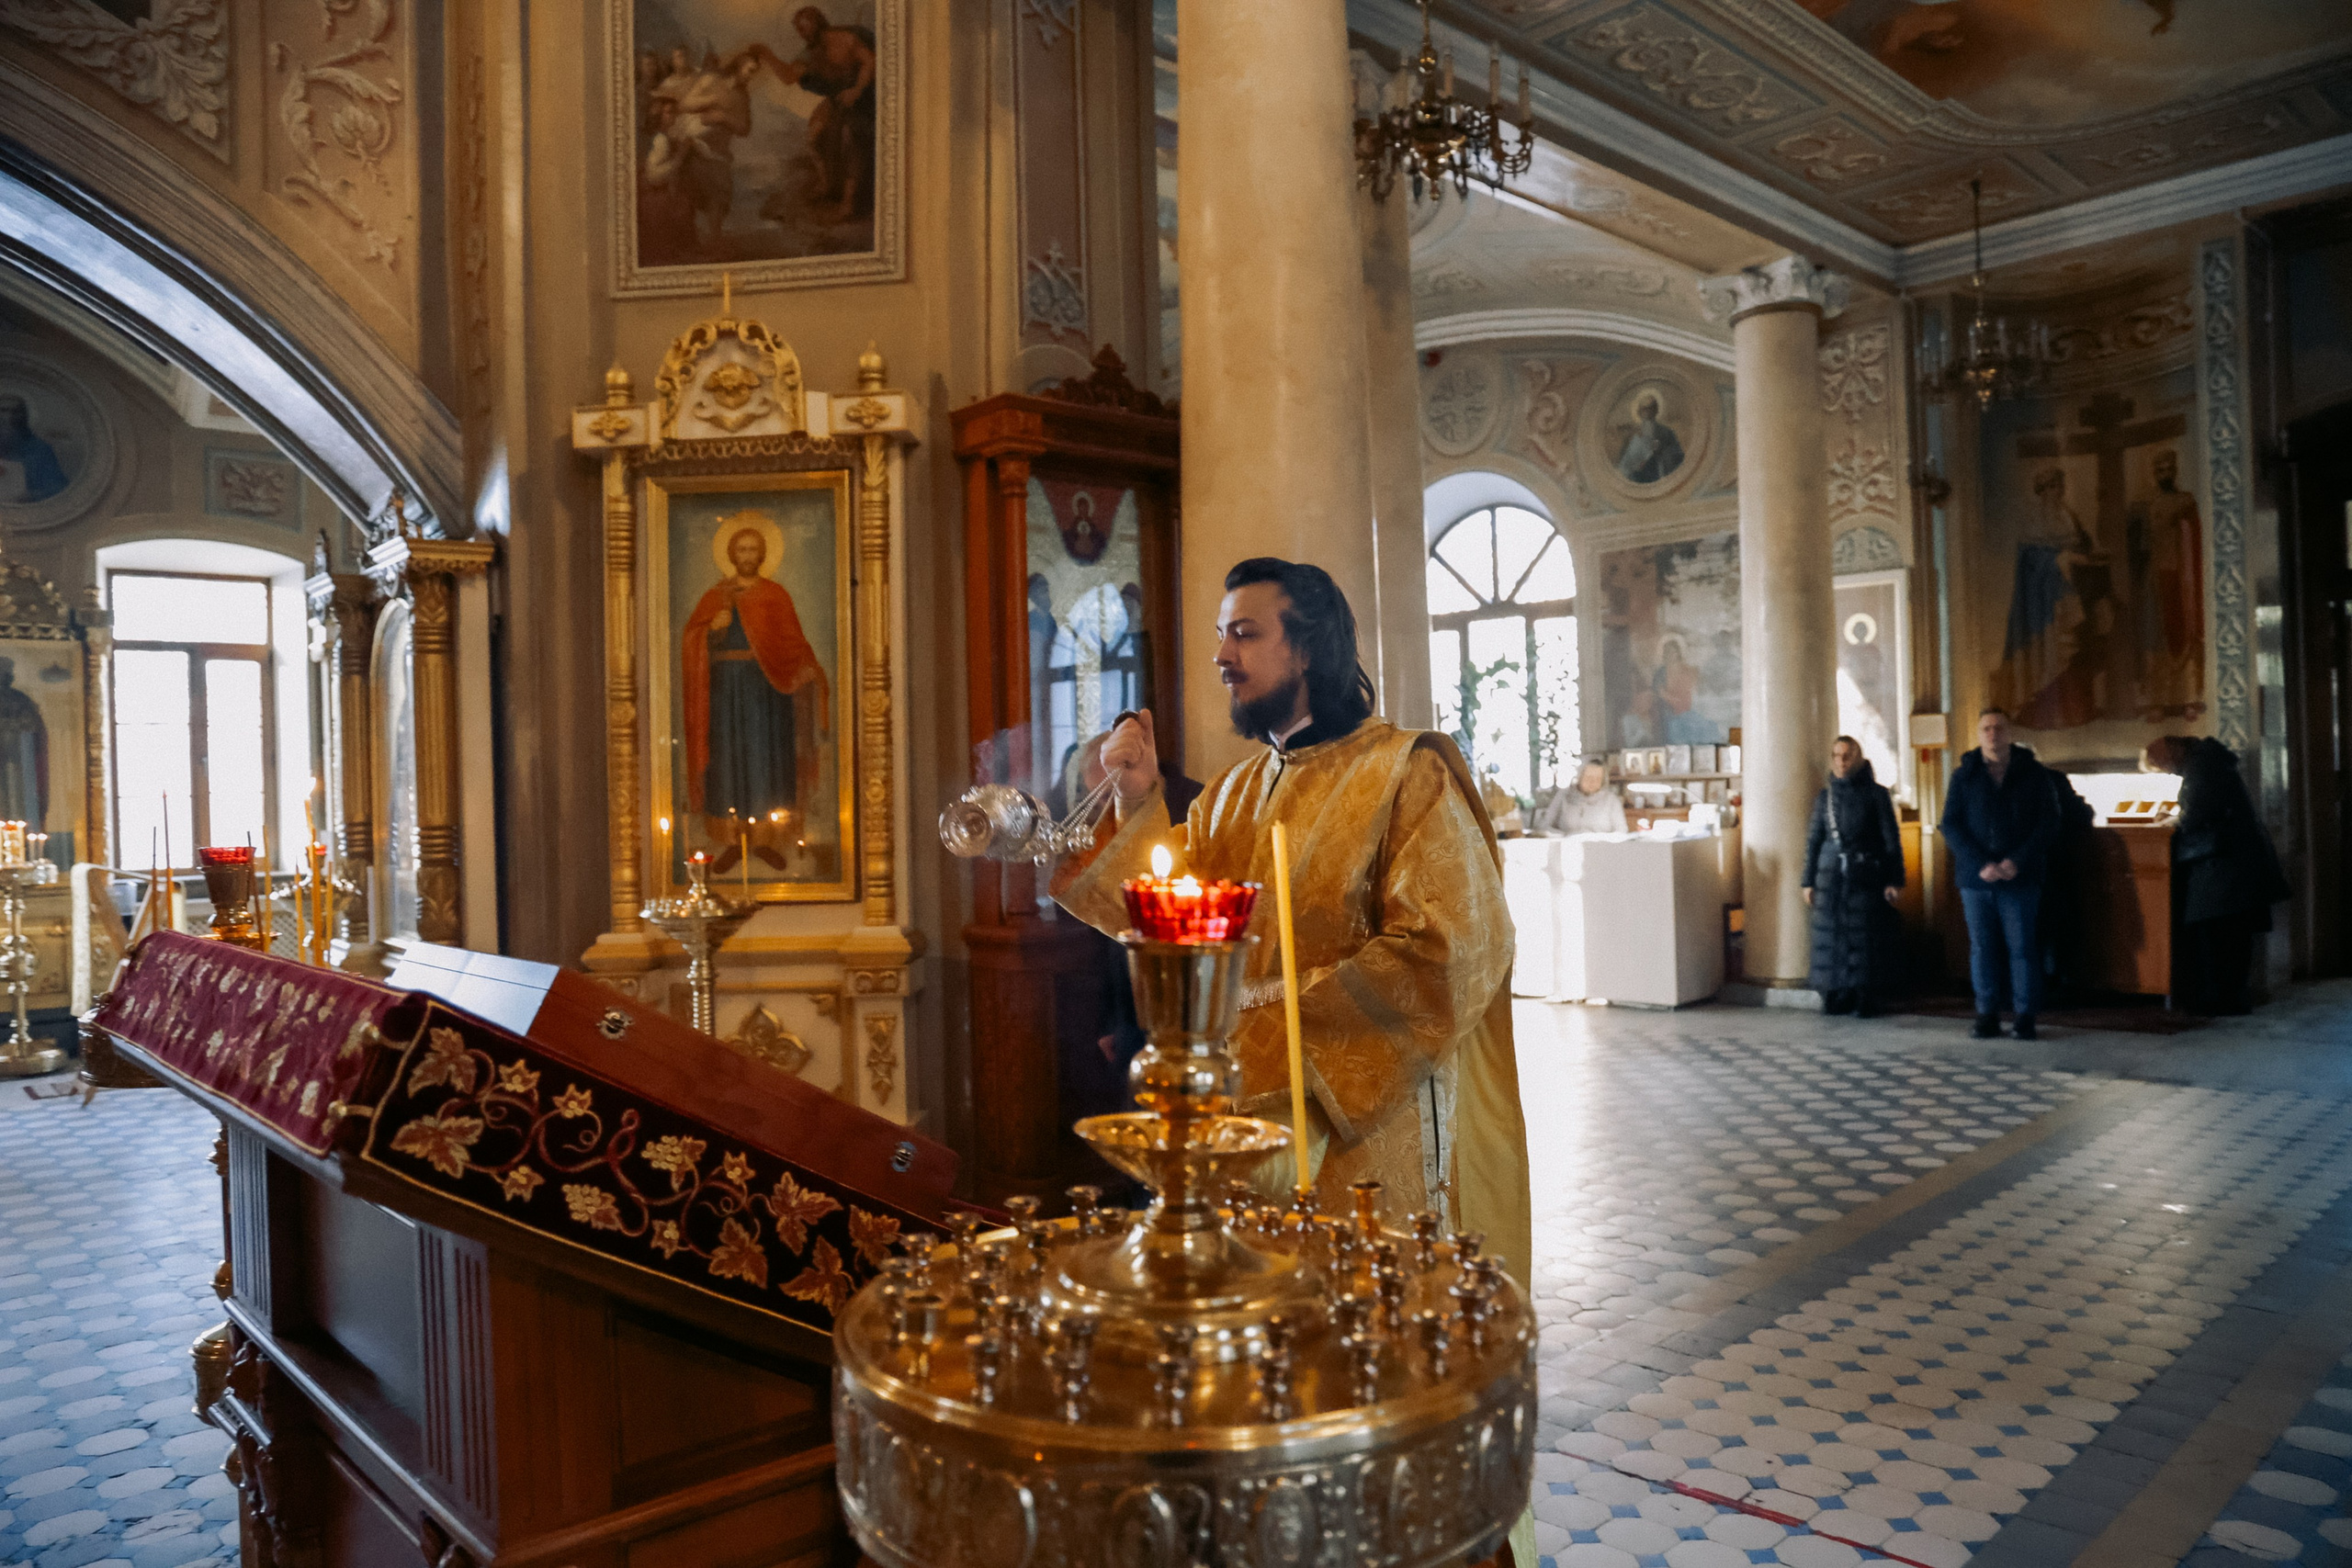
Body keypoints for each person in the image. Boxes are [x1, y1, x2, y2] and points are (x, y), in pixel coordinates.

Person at [1053, 558, 1534, 1565]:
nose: (1221, 659)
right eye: (1223, 635)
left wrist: (1264, 1039)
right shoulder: (1234, 793)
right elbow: (1170, 914)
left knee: (1369, 1382)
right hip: (1246, 1146)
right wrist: (1136, 802)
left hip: (1367, 1139)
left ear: (1307, 646)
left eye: (1243, 636)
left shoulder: (1407, 773)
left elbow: (1452, 949)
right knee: (1267, 1389)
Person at [681, 517, 830, 849]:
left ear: (762, 555)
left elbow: (792, 644)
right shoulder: (714, 597)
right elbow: (693, 638)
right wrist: (712, 631)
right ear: (732, 555)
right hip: (723, 691)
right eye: (741, 549)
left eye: (753, 549)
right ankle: (732, 840)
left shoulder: (775, 596)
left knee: (766, 757)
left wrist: (808, 669)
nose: (747, 555)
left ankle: (766, 839)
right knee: (728, 757)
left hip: (766, 691)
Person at [2142, 735, 2288, 1014]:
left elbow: (2197, 812)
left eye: (2163, 765)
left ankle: (2220, 1000)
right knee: (2230, 935)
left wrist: (2174, 819)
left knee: (2219, 936)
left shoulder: (2202, 767)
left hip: (2222, 866)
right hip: (2232, 865)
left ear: (2174, 751)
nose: (2167, 771)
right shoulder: (2209, 762)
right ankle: (2227, 997)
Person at [1939, 707, 2061, 1040]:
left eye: (1999, 728)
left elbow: (2048, 823)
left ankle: (2025, 1016)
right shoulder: (1964, 776)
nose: (1993, 734)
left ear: (2009, 733)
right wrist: (1981, 863)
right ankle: (1987, 1014)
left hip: (2020, 878)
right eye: (1986, 729)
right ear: (1978, 735)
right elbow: (1950, 824)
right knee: (1982, 948)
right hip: (1976, 879)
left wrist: (2016, 861)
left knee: (2022, 948)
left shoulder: (2033, 774)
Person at [1801, 736, 1902, 1017]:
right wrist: (1807, 881)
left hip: (1866, 875)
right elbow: (1814, 841)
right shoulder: (1825, 798)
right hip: (1830, 878)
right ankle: (1835, 992)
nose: (1841, 761)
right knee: (1832, 938)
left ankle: (1864, 995)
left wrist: (1895, 879)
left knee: (1864, 938)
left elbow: (1890, 840)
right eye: (1836, 755)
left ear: (1857, 758)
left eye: (1846, 756)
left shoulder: (1877, 795)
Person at [1532, 757, 1626, 836]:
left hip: (1601, 850)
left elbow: (1621, 832)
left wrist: (1597, 838)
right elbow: (1543, 826)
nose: (1592, 782)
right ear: (1579, 776)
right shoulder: (1563, 795)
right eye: (1588, 777)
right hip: (1567, 848)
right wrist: (1565, 835)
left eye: (1597, 778)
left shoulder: (1611, 800)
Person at [1614, 392, 1684, 484]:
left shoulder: (1666, 432)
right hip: (1636, 477)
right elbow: (1623, 460)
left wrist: (1660, 451)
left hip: (1658, 475)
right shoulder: (1632, 434)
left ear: (1656, 410)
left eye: (1651, 408)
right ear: (1639, 412)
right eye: (1644, 409)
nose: (1648, 412)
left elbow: (1677, 455)